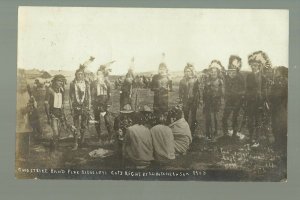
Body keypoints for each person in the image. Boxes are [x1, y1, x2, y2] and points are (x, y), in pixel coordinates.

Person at [246, 51, 272, 147]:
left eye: (256, 65)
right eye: (252, 65)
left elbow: (265, 91)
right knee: (250, 121)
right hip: (250, 102)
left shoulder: (263, 77)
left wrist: (265, 101)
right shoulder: (249, 76)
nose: (253, 67)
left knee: (258, 121)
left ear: (259, 66)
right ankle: (251, 138)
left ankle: (257, 140)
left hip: (260, 102)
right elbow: (247, 89)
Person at [222, 55, 245, 139]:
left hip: (237, 100)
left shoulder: (240, 76)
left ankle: (235, 134)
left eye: (236, 64)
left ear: (239, 65)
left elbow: (243, 90)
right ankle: (225, 134)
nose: (234, 66)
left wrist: (237, 94)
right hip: (229, 100)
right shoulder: (227, 75)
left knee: (235, 117)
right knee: (224, 117)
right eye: (233, 64)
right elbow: (225, 86)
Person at [69, 68, 91, 150]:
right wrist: (71, 107)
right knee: (75, 125)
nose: (80, 75)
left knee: (84, 124)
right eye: (78, 74)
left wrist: (89, 107)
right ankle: (75, 143)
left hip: (84, 106)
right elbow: (70, 97)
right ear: (76, 75)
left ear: (84, 75)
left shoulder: (87, 83)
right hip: (75, 106)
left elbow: (89, 96)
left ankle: (82, 141)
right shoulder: (72, 83)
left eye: (82, 74)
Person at [44, 74, 67, 151]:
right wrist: (48, 116)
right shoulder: (49, 90)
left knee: (58, 133)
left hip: (60, 113)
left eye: (62, 81)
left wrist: (63, 114)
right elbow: (46, 103)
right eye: (59, 81)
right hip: (52, 114)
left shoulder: (62, 90)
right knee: (55, 132)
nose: (61, 83)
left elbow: (62, 103)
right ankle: (54, 149)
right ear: (54, 81)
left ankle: (54, 146)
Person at [91, 67, 113, 143]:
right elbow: (92, 94)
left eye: (100, 74)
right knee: (97, 121)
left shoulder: (107, 83)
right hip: (96, 104)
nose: (98, 75)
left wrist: (108, 104)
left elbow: (110, 94)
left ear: (103, 75)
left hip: (105, 104)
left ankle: (110, 136)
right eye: (97, 74)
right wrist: (93, 103)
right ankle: (99, 137)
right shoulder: (93, 83)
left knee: (107, 120)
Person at [203, 60, 224, 140]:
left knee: (215, 118)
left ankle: (215, 133)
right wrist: (204, 101)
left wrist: (219, 101)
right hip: (208, 102)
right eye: (212, 72)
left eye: (215, 72)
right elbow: (204, 92)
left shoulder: (220, 81)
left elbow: (222, 93)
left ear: (217, 73)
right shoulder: (207, 81)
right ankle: (208, 134)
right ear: (210, 73)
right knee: (208, 118)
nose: (213, 73)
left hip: (216, 102)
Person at [179, 63, 201, 136]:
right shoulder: (182, 81)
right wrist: (180, 100)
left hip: (194, 101)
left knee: (193, 116)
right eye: (186, 71)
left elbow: (198, 91)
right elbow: (180, 92)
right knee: (185, 116)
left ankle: (193, 131)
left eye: (188, 71)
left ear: (192, 72)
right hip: (185, 101)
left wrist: (199, 100)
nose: (187, 73)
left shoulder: (195, 80)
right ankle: (186, 130)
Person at [270, 66, 287, 152]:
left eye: (277, 71)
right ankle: (277, 142)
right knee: (274, 125)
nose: (275, 72)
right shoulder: (275, 81)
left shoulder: (285, 82)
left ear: (281, 73)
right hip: (274, 107)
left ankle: (281, 143)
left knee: (281, 125)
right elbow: (271, 94)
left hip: (282, 108)